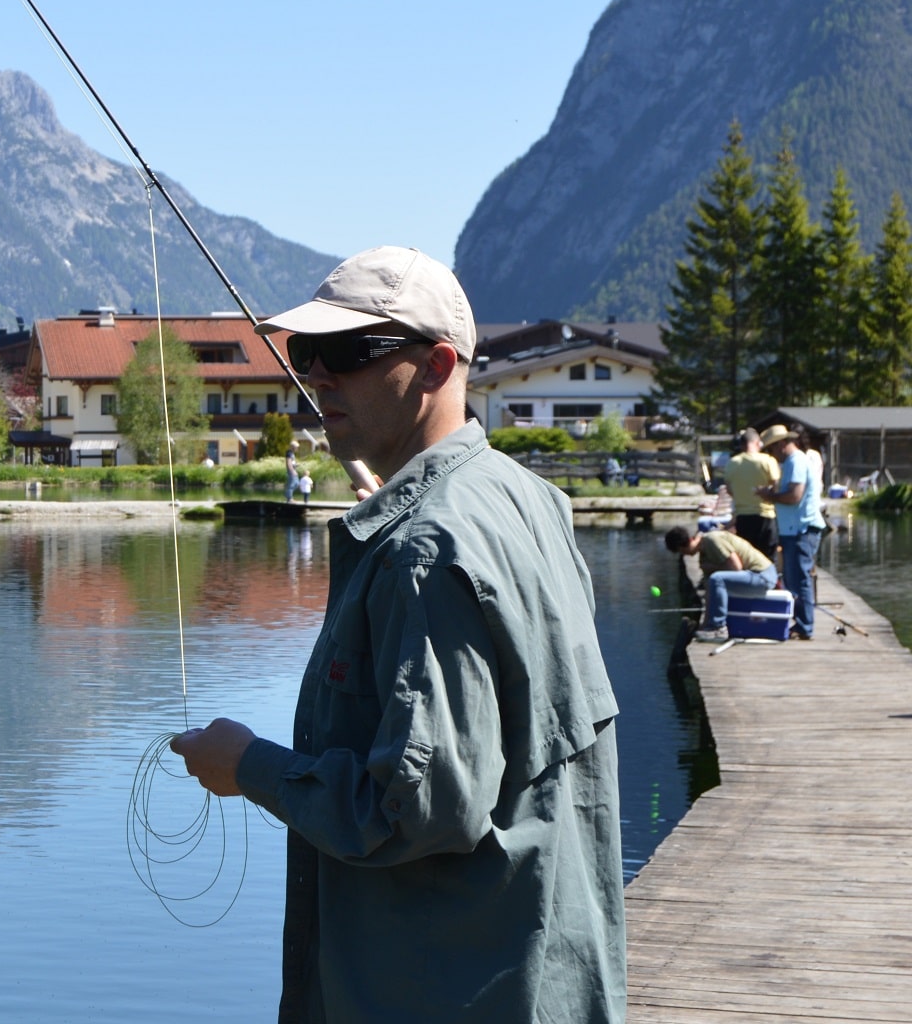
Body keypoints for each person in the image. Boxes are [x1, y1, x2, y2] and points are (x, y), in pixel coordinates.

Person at [170, 246, 625, 1022]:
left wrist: (247, 765)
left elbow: (416, 809)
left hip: (448, 993)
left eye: (347, 353)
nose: (317, 377)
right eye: (306, 355)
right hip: (542, 979)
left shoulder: (428, 550)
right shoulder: (527, 501)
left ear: (438, 365)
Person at [756, 423, 826, 640]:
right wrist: (773, 493)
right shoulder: (791, 463)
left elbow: (795, 496)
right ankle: (801, 623)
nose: (772, 454)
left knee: (801, 578)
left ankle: (805, 626)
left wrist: (769, 497)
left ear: (783, 444)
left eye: (773, 448)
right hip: (792, 529)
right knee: (792, 579)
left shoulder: (796, 461)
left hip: (801, 529)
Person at [663, 524, 778, 640]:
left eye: (681, 551)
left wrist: (711, 567)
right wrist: (704, 624)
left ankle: (719, 628)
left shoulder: (711, 540)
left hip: (762, 575)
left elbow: (736, 567)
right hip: (753, 577)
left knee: (717, 579)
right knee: (713, 580)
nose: (684, 554)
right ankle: (712, 626)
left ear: (682, 546)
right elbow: (710, 590)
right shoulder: (703, 553)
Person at [719, 427, 781, 558]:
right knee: (768, 558)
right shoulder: (768, 460)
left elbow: (730, 490)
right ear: (758, 443)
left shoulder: (732, 463)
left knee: (748, 558)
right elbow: (777, 487)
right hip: (765, 515)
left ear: (742, 445)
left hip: (743, 518)